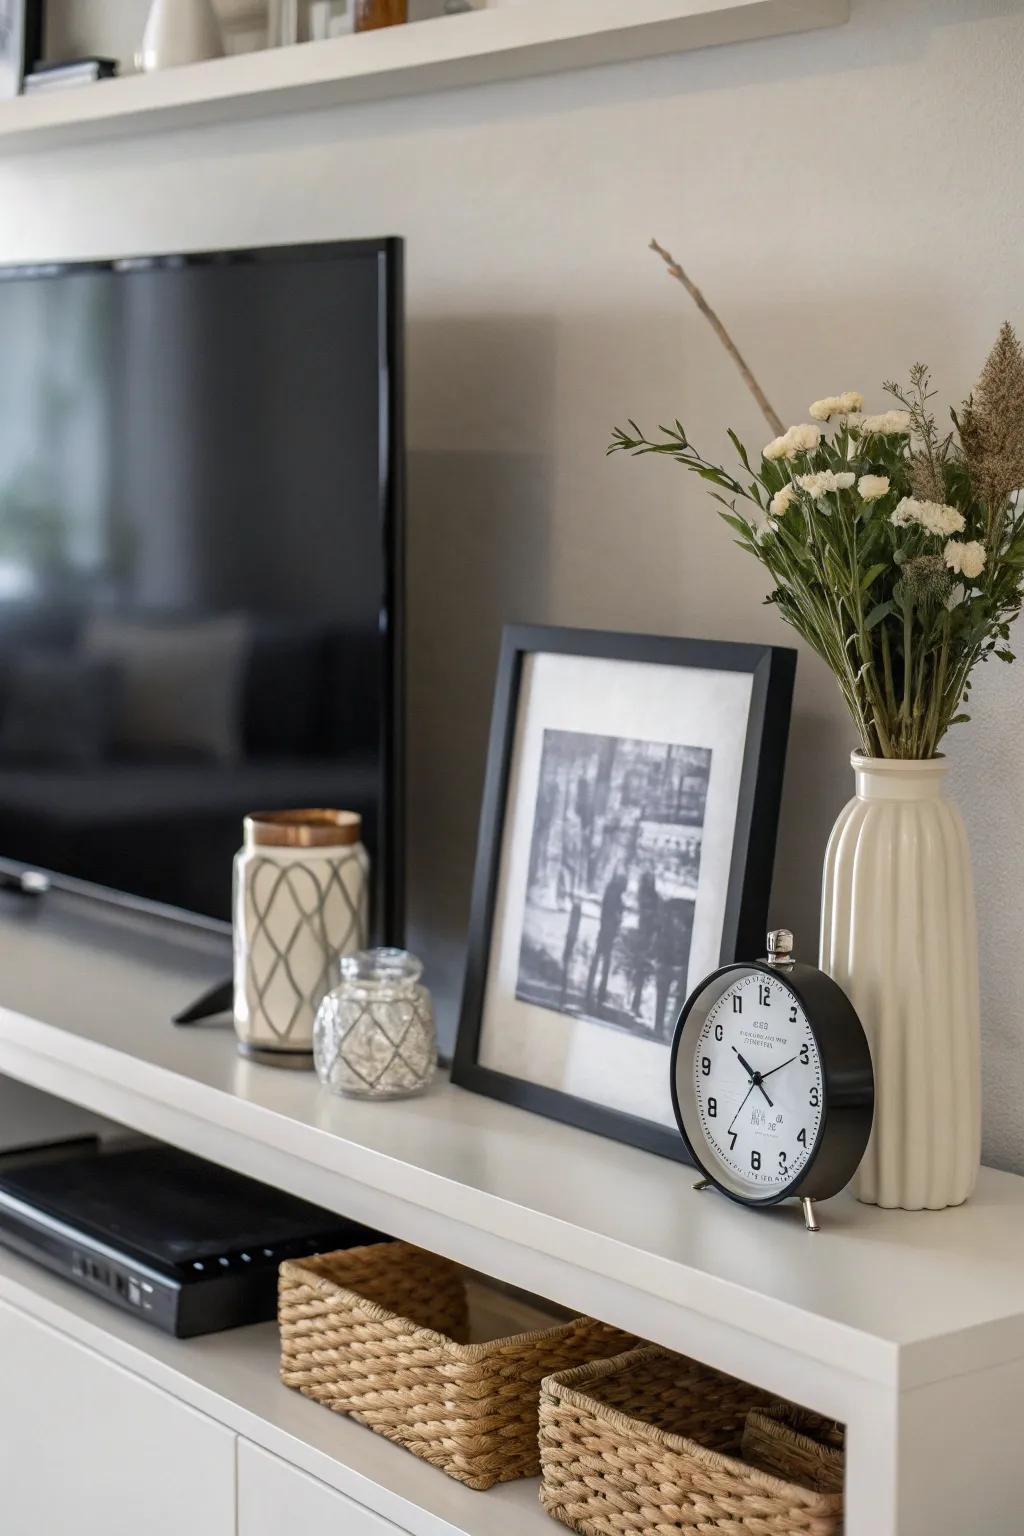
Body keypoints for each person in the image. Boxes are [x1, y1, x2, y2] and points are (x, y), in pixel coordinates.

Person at [586, 866, 627, 1013]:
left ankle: (592, 990)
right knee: (603, 963)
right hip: (607, 931)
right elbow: (614, 913)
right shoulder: (614, 894)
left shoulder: (611, 891)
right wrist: (618, 917)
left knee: (598, 961)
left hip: (605, 929)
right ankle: (599, 994)